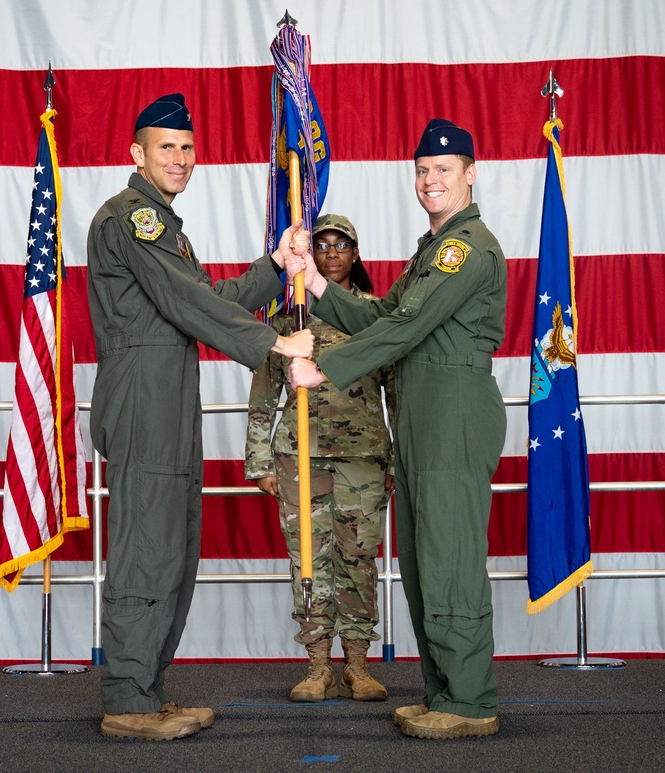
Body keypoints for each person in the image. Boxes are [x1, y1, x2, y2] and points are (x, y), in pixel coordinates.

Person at [86, 93, 314, 741]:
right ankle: (128, 697)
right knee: (146, 549)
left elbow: (207, 296)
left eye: (187, 147)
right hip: (141, 400)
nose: (181, 158)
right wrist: (272, 343)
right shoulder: (132, 219)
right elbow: (192, 304)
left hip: (169, 396)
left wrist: (276, 266)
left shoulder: (164, 225)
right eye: (167, 146)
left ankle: (147, 689)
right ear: (137, 154)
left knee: (174, 547)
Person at [288, 119, 507, 740]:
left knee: (450, 557)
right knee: (422, 557)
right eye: (422, 170)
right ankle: (444, 690)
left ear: (471, 173)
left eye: (444, 169)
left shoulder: (469, 247)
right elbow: (384, 313)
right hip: (421, 410)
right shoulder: (432, 249)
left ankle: (469, 700)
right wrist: (318, 285)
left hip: (453, 409)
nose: (430, 179)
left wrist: (322, 365)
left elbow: (404, 330)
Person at [245, 214, 396, 703]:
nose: (331, 253)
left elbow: (399, 391)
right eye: (322, 246)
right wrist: (260, 462)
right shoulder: (291, 323)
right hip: (300, 457)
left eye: (341, 246)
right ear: (309, 258)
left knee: (357, 558)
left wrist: (398, 461)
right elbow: (264, 397)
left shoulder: (377, 317)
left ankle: (356, 665)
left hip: (363, 459)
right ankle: (317, 667)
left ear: (355, 254)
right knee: (308, 560)